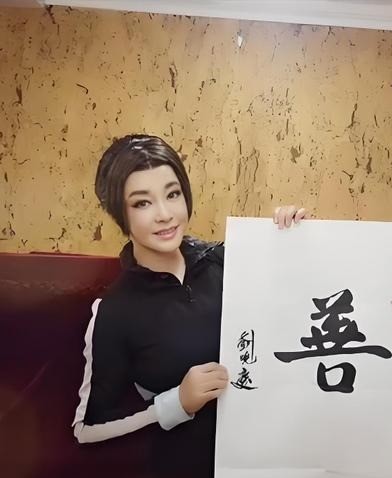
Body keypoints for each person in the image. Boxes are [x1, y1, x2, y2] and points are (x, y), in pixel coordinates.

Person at [71, 134, 304, 478]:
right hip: (187, 464)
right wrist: (175, 403)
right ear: (120, 213)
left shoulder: (226, 260)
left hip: (271, 457)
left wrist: (294, 235)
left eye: (172, 194)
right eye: (142, 203)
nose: (165, 215)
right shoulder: (115, 310)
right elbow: (87, 428)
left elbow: (300, 297)